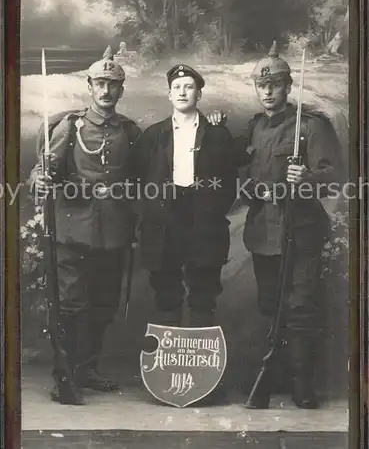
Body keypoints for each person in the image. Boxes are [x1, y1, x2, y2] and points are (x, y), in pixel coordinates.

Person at [29, 47, 141, 405]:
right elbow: (45, 168)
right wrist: (41, 180)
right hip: (73, 227)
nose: (106, 90)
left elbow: (140, 178)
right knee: (72, 303)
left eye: (113, 84)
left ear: (121, 90)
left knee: (103, 303)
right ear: (90, 86)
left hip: (113, 230)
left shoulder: (129, 131)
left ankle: (87, 369)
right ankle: (65, 371)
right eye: (100, 83)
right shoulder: (71, 126)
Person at [234, 41, 341, 408]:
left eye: (275, 84)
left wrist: (306, 177)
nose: (267, 91)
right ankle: (272, 377)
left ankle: (302, 385)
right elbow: (246, 175)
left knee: (300, 306)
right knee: (269, 306)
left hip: (302, 230)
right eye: (262, 85)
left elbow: (334, 176)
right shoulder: (255, 128)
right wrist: (251, 189)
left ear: (287, 86)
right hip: (264, 230)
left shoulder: (311, 125)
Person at [129, 64, 238, 330]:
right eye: (176, 87)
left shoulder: (217, 134)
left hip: (202, 218)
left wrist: (212, 210)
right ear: (169, 95)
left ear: (199, 94)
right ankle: (171, 354)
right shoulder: (154, 135)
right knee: (166, 288)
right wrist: (152, 210)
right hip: (165, 218)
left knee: (204, 287)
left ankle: (199, 355)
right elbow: (137, 177)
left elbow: (228, 180)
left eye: (189, 87)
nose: (182, 92)